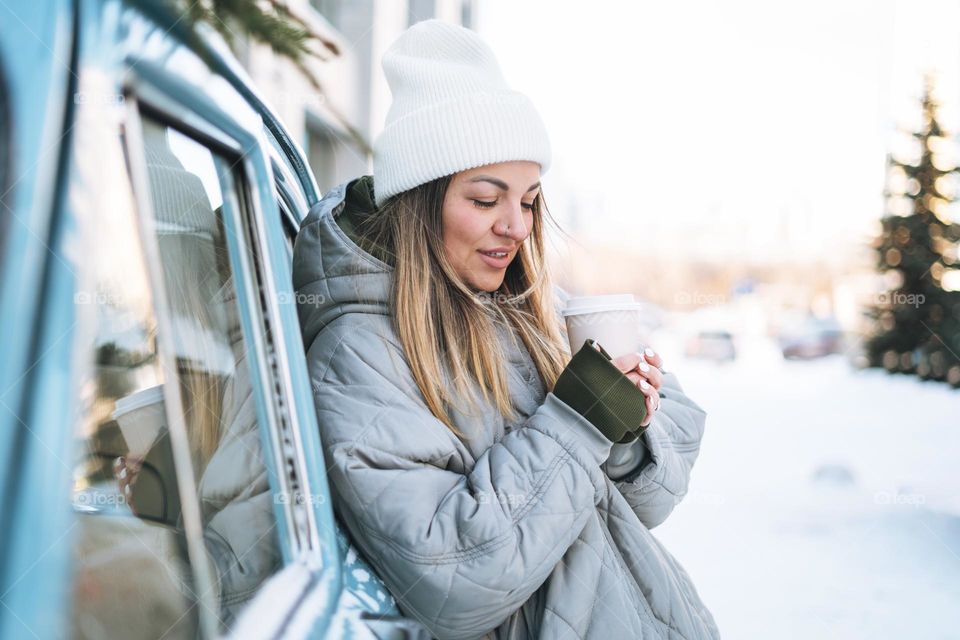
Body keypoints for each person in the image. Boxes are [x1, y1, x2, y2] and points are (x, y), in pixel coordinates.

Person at [293, 19, 719, 640]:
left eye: (529, 200)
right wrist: (579, 420)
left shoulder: (524, 306)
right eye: (487, 200)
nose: (517, 228)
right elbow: (452, 580)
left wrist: (628, 425)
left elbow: (651, 500)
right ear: (418, 202)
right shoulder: (359, 353)